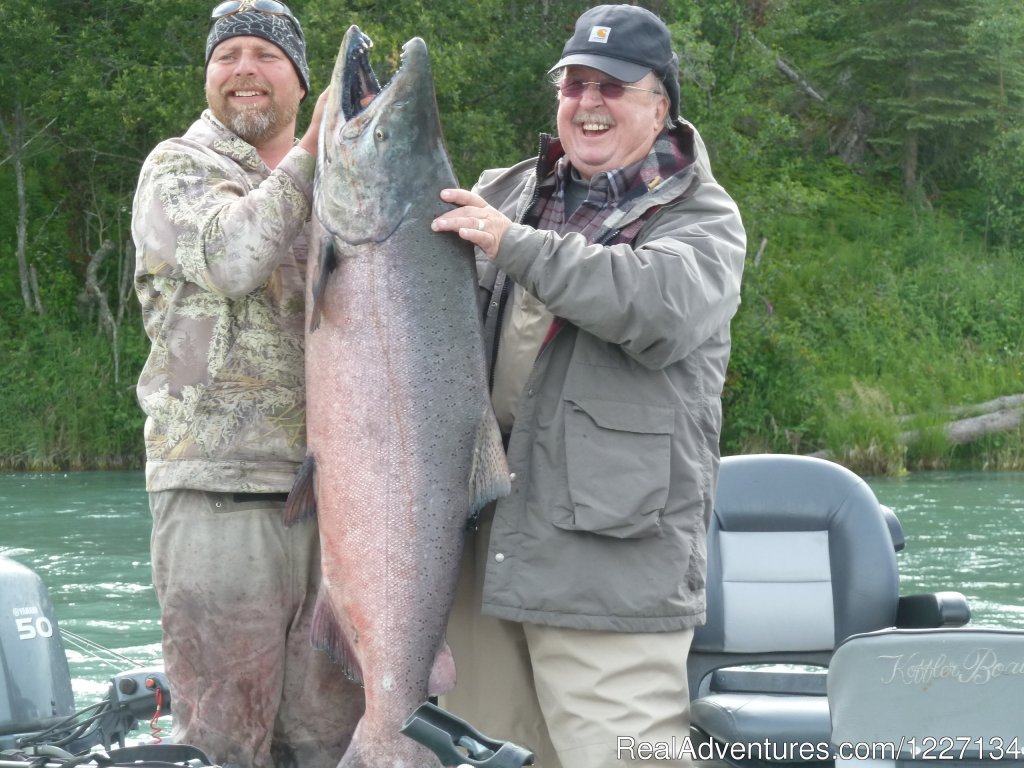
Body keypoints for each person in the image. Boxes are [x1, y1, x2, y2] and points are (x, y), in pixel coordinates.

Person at [432, 5, 746, 767]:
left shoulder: (702, 218)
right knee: (481, 756)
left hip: (611, 562)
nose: (587, 103)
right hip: (483, 548)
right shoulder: (501, 191)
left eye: (612, 86)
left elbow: (656, 307)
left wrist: (516, 245)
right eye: (572, 85)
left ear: (661, 103)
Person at [130, 2, 362, 766]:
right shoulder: (177, 168)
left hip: (339, 509)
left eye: (264, 54)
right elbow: (233, 256)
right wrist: (315, 154)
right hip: (217, 497)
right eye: (226, 56)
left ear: (298, 78)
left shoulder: (344, 186)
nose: (242, 71)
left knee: (332, 741)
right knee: (227, 742)